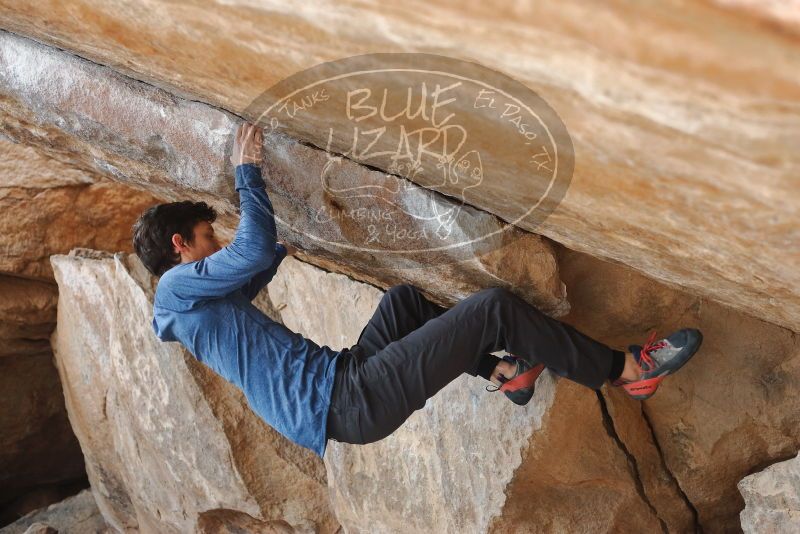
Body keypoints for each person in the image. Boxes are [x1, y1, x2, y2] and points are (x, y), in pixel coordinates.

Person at [132, 122, 703, 458]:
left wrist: (285, 246)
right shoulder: (178, 289)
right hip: (349, 400)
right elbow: (250, 253)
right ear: (181, 245)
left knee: (405, 301)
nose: (217, 242)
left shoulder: (190, 305)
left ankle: (502, 374)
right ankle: (626, 370)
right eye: (210, 236)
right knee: (494, 309)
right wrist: (247, 171)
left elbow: (254, 268)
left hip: (342, 380)